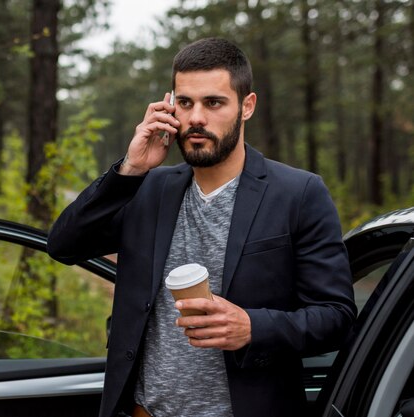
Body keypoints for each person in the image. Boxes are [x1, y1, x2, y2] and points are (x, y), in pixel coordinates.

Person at [47, 37, 356, 417]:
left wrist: (252, 327)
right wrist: (130, 167)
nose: (195, 118)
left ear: (247, 106)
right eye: (185, 102)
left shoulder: (298, 192)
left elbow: (336, 317)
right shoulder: (148, 187)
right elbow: (63, 244)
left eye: (213, 103)